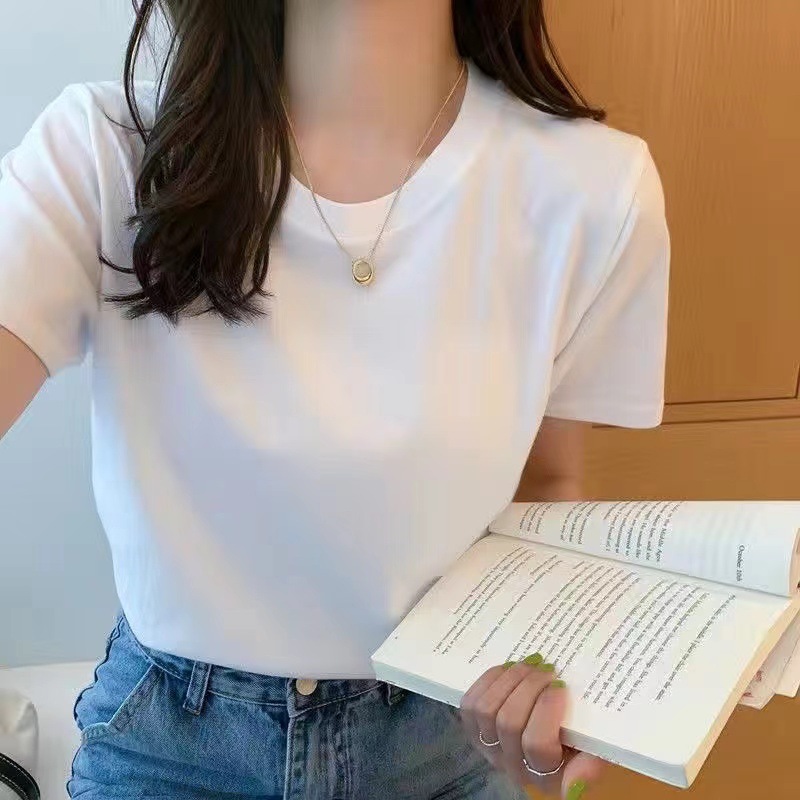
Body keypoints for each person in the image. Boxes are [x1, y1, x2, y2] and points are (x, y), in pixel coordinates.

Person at [0, 1, 669, 798]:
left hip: (446, 741)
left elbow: (549, 484)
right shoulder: (107, 152)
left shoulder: (595, 190)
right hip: (170, 747)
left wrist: (544, 688)